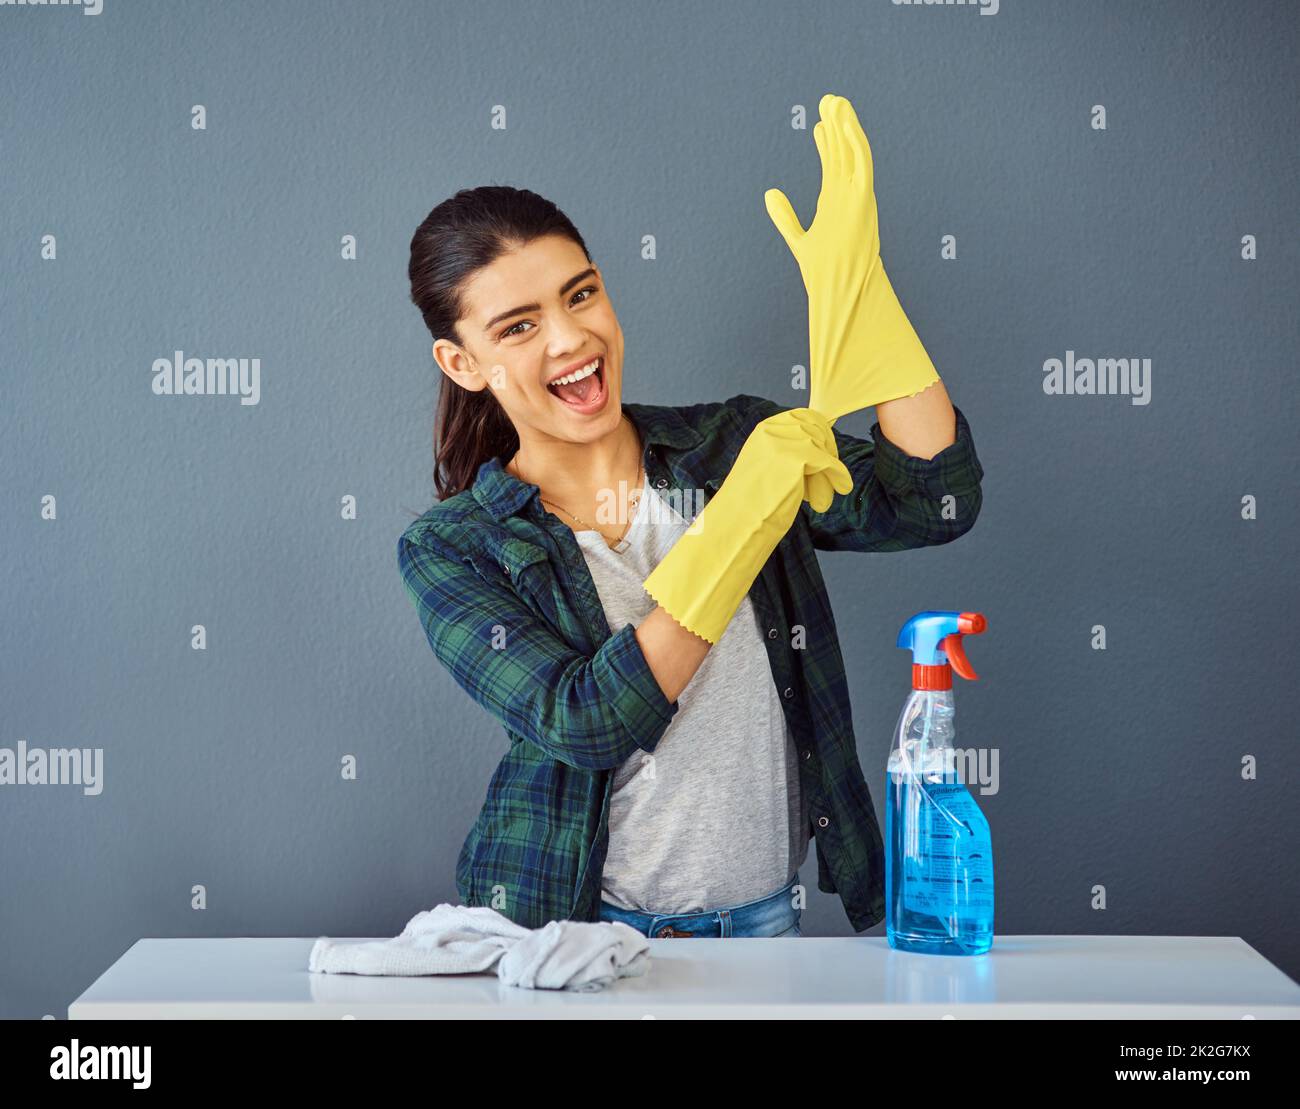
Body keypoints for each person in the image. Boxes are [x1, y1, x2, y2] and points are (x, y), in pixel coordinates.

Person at [399, 184, 984, 938]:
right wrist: (737, 521)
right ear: (462, 361)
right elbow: (590, 721)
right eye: (518, 327)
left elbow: (932, 501)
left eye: (582, 295)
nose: (571, 338)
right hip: (578, 933)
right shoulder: (454, 546)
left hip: (766, 920)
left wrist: (871, 303)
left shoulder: (733, 444)